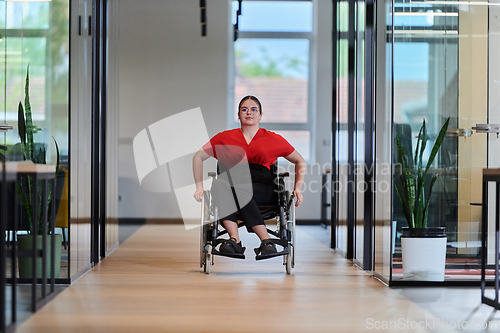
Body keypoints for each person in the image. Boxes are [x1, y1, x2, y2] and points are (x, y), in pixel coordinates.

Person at [193, 95, 305, 257]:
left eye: (254, 110)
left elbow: (299, 161)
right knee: (219, 185)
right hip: (230, 184)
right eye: (244, 109)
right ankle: (237, 239)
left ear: (260, 115)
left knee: (233, 188)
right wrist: (199, 186)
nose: (249, 113)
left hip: (264, 188)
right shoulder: (224, 137)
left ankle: (260, 239)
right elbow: (198, 157)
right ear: (238, 115)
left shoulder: (273, 138)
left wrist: (298, 189)